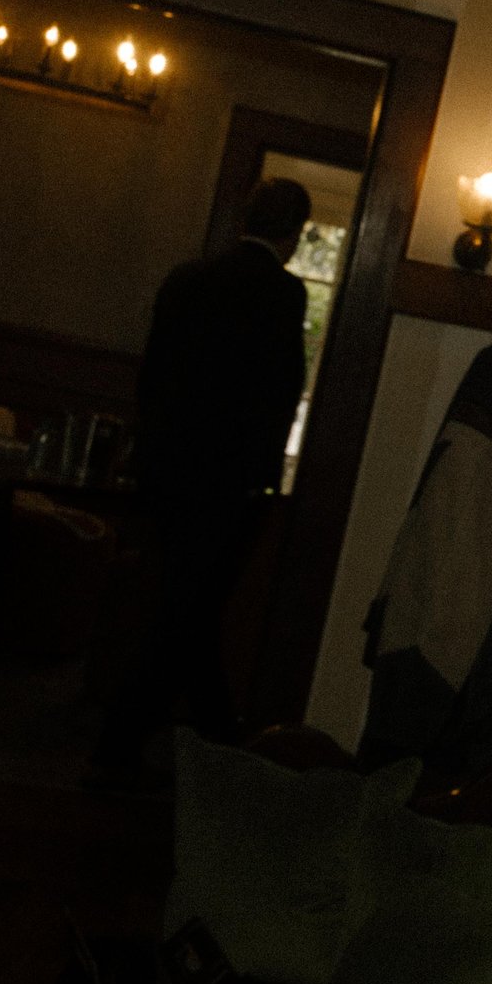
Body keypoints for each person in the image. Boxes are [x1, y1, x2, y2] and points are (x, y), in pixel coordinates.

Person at [90, 177, 310, 787]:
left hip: (167, 476)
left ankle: (217, 744)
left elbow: (152, 380)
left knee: (185, 609)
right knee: (186, 613)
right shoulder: (281, 293)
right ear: (294, 235)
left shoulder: (185, 281)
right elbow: (280, 393)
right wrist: (261, 477)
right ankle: (145, 749)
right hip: (228, 484)